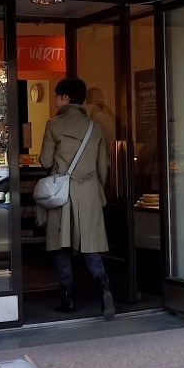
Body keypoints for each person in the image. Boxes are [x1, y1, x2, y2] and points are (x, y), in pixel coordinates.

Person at [38, 77, 114, 319]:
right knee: (90, 246)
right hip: (89, 192)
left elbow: (45, 161)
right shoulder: (95, 128)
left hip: (62, 194)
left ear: (65, 98)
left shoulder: (53, 125)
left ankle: (68, 299)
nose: (55, 101)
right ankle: (104, 288)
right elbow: (103, 167)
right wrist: (96, 189)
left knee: (62, 247)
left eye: (57, 96)